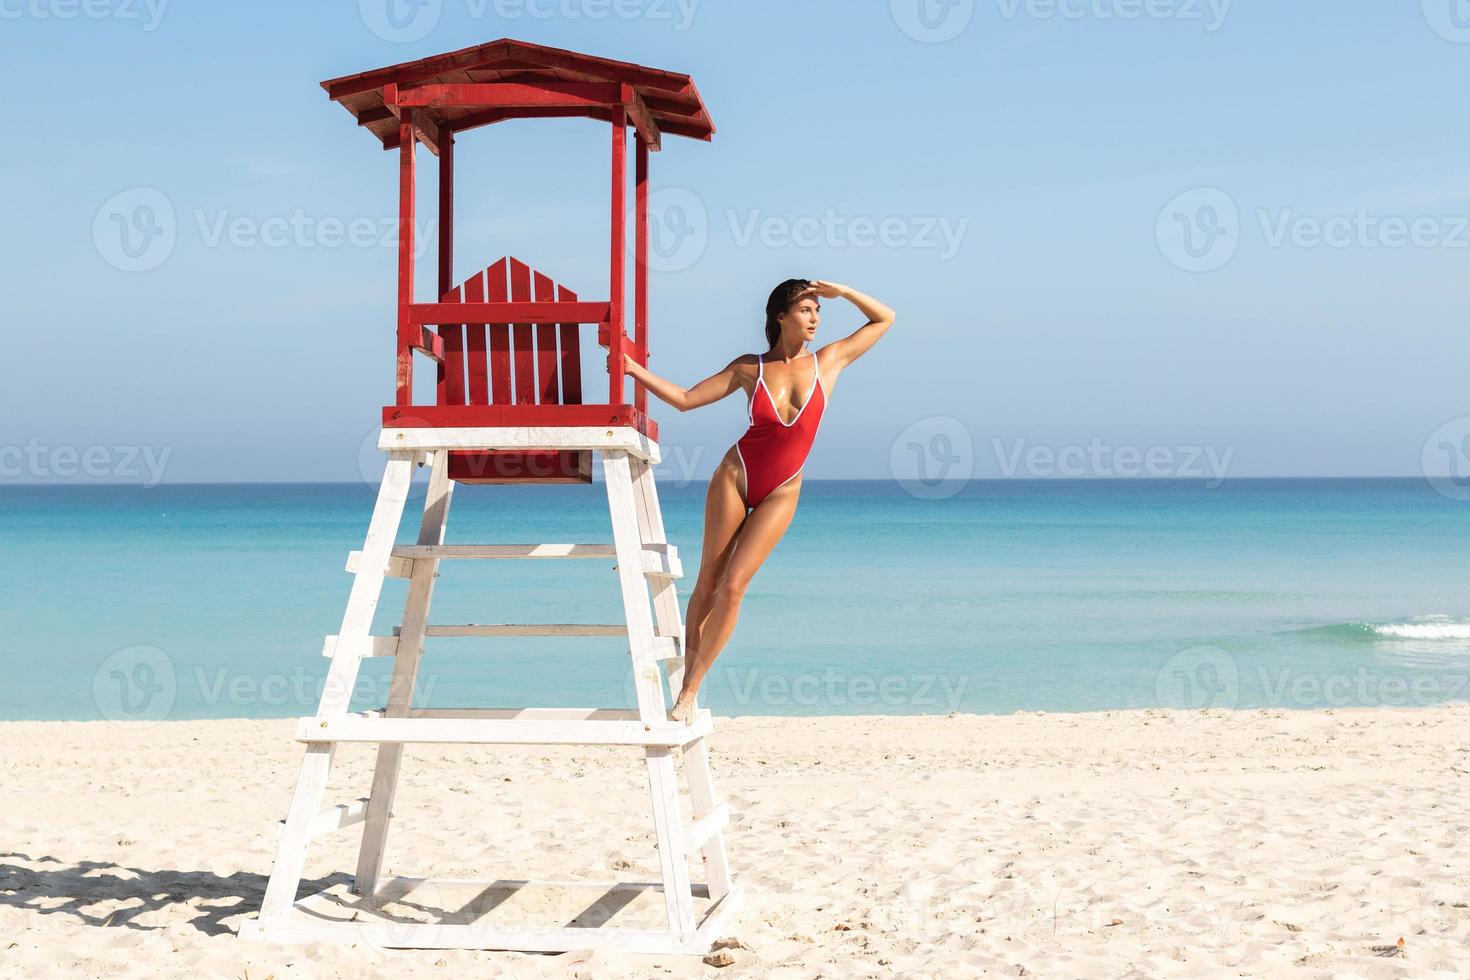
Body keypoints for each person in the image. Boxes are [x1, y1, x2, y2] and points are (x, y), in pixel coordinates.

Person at [620, 278, 896, 722]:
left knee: (733, 588)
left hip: (783, 488)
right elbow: (687, 400)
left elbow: (885, 318)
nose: (815, 319)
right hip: (736, 476)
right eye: (806, 310)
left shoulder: (829, 362)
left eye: (817, 311)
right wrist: (635, 371)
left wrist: (840, 292)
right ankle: (684, 687)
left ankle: (691, 689)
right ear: (780, 316)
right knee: (708, 581)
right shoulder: (751, 369)